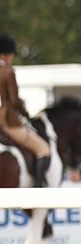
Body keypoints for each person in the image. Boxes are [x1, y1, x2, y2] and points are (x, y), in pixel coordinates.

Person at [0, 34, 51, 188]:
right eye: (12, 55)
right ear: (6, 55)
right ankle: (38, 188)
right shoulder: (7, 72)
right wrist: (26, 114)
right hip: (7, 121)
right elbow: (14, 101)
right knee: (43, 149)